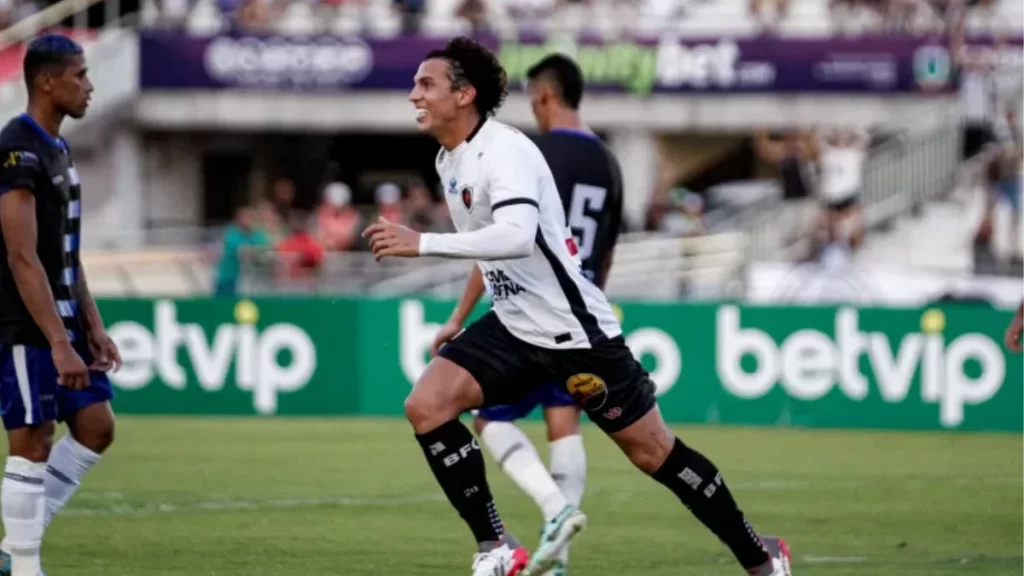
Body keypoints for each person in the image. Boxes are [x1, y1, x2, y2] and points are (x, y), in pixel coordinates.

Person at [362, 37, 792, 576]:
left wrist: (420, 242)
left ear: (465, 94)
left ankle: (761, 556)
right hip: (514, 327)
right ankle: (495, 545)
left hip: (574, 332)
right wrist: (459, 317)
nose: (413, 95)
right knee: (426, 405)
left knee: (653, 453)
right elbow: (490, 244)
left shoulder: (509, 151)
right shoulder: (450, 158)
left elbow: (516, 236)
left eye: (426, 84)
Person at [428, 53, 621, 576]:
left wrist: (460, 315)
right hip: (584, 313)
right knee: (565, 421)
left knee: (487, 417)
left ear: (542, 96)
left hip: (530, 312)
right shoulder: (608, 160)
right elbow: (604, 253)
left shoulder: (525, 151)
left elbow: (507, 237)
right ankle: (559, 558)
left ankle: (553, 514)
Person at [0, 35, 121, 576]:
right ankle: (25, 566)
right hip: (24, 325)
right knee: (32, 440)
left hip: (65, 319)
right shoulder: (16, 149)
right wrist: (56, 341)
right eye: (80, 75)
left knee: (96, 424)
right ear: (47, 82)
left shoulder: (60, 149)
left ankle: (10, 550)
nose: (89, 85)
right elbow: (22, 257)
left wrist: (91, 325)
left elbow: (65, 251)